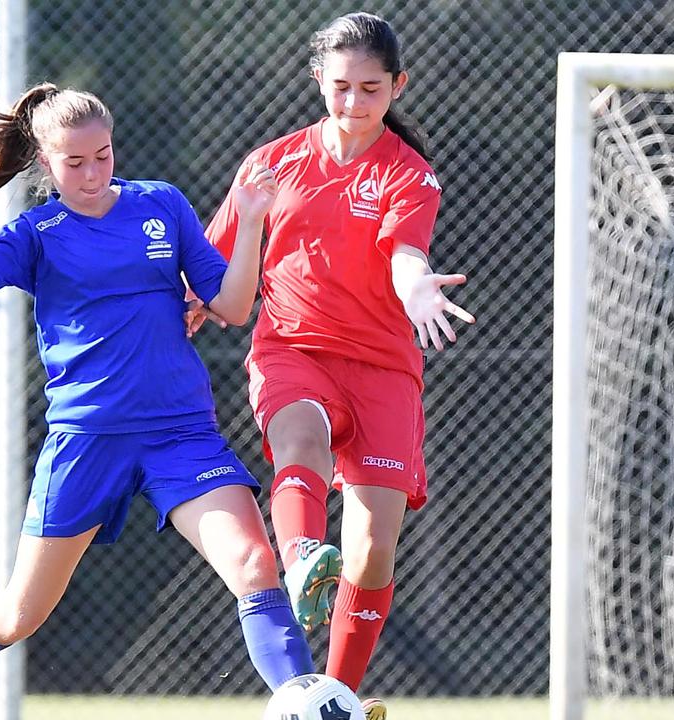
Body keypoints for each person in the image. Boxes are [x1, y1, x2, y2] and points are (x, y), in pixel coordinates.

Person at [0, 83, 312, 720]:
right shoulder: (38, 231)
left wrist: (252, 222)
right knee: (17, 616)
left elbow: (229, 305)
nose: (93, 173)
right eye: (74, 162)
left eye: (104, 156)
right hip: (88, 441)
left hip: (180, 433)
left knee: (255, 563)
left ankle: (303, 701)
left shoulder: (160, 204)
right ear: (43, 163)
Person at [202, 12, 474, 720]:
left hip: (383, 370)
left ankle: (339, 699)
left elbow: (405, 252)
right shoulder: (270, 163)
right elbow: (215, 259)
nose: (354, 103)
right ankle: (300, 558)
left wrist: (415, 286)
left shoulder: (410, 175)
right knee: (299, 440)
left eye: (371, 89)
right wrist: (189, 302)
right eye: (342, 86)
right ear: (318, 78)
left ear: (397, 87)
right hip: (293, 348)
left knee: (375, 551)